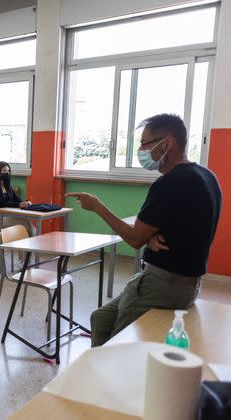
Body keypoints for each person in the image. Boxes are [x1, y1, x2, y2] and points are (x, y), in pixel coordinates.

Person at [66, 114, 222, 347]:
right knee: (100, 318)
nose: (142, 150)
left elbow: (134, 239)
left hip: (163, 285)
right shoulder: (207, 177)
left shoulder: (170, 184)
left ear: (167, 143)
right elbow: (186, 228)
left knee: (120, 343)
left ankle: (112, 377)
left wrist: (97, 207)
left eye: (146, 144)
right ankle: (102, 372)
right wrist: (149, 238)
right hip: (185, 284)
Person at [0, 161, 35, 234]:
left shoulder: (9, 187)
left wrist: (24, 202)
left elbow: (16, 199)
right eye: (4, 171)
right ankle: (34, 241)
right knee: (23, 221)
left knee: (26, 220)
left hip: (6, 217)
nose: (7, 173)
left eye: (8, 171)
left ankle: (32, 240)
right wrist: (18, 205)